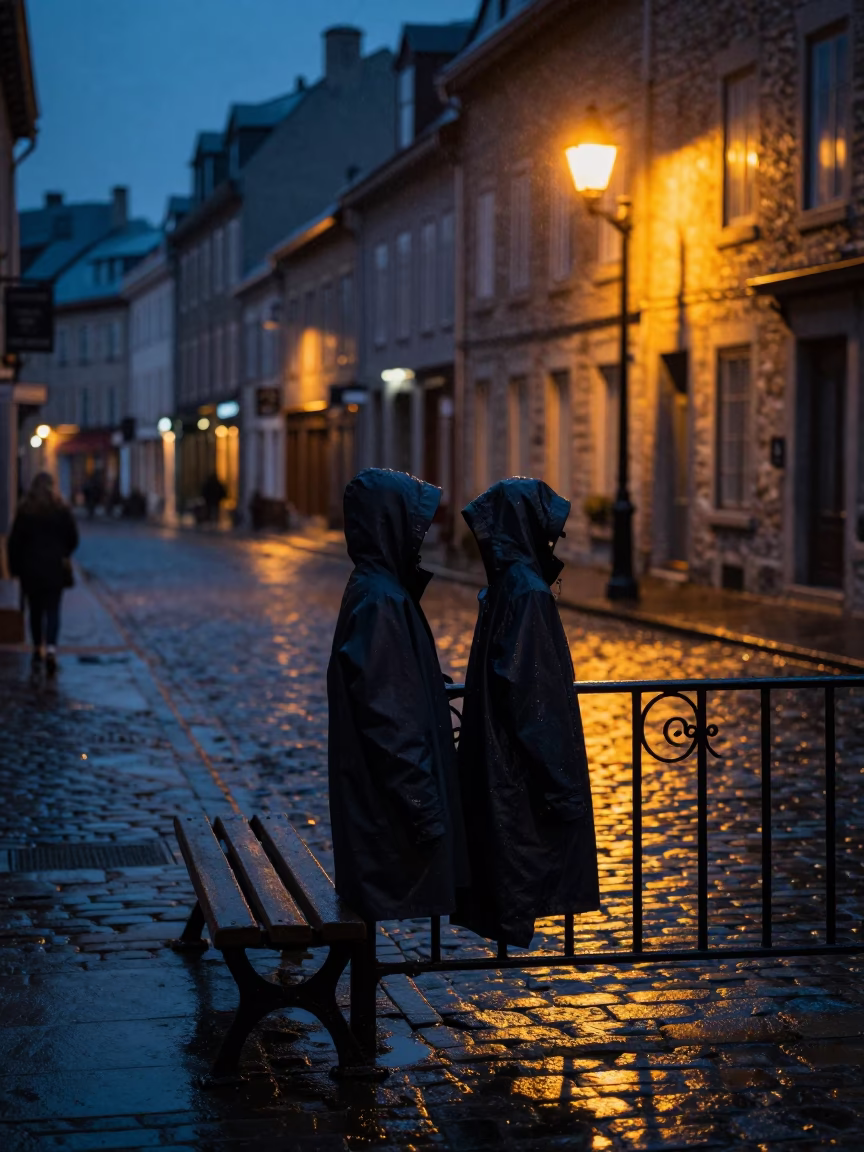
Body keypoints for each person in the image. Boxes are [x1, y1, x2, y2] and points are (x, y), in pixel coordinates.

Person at [452, 476, 600, 948]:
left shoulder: (506, 584)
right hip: (517, 782)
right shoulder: (526, 591)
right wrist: (564, 790)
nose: (555, 539)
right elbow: (535, 701)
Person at [327, 468, 468, 921]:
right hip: (383, 821)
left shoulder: (374, 588)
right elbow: (389, 719)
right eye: (414, 528)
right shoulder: (381, 601)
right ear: (389, 526)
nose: (420, 540)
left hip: (371, 815)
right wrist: (424, 811)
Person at [7, 472, 79, 676]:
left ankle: (37, 647)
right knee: (53, 609)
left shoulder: (25, 511)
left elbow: (14, 542)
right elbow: (73, 538)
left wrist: (15, 568)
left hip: (30, 569)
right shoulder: (61, 509)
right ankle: (51, 649)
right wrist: (63, 553)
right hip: (54, 567)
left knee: (35, 611)